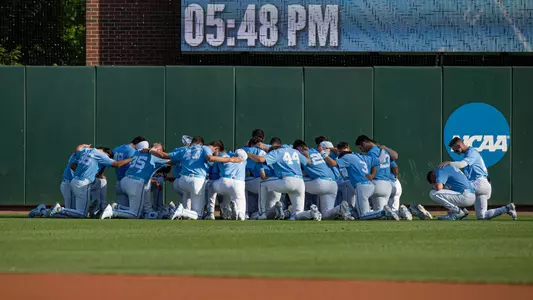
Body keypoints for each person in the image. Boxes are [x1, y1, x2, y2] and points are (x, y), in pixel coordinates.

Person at [151, 136, 242, 218]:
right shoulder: (204, 148)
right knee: (197, 214)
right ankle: (180, 210)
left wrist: (150, 150)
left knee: (186, 195)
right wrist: (230, 159)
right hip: (196, 180)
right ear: (201, 143)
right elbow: (210, 158)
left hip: (181, 181)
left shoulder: (185, 149)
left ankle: (180, 210)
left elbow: (164, 155)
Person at [36, 144, 131, 218]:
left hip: (75, 181)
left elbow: (73, 164)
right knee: (81, 214)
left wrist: (85, 170)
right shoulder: (101, 155)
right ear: (106, 153)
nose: (108, 158)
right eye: (108, 156)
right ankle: (60, 209)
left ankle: (98, 207)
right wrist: (132, 158)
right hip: (81, 184)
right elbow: (117, 164)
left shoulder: (85, 150)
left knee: (101, 182)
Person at [439, 137, 517, 220]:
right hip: (483, 186)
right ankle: (508, 208)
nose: (455, 152)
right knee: (482, 216)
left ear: (459, 145)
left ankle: (457, 212)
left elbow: (462, 164)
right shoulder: (468, 154)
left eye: (455, 150)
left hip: (479, 183)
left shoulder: (471, 152)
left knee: (454, 189)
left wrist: (449, 163)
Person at [321, 141, 399, 220]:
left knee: (363, 215)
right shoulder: (362, 156)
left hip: (361, 186)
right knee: (359, 211)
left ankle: (383, 212)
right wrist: (383, 150)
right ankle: (398, 212)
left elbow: (333, 163)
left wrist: (323, 154)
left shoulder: (347, 157)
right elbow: (380, 160)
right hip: (370, 185)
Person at [248, 139, 321, 221]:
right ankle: (311, 213)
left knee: (262, 183)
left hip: (288, 181)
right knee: (297, 213)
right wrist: (306, 154)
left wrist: (247, 154)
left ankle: (262, 214)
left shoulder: (276, 152)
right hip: (300, 182)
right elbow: (308, 162)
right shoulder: (293, 150)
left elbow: (260, 159)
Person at [293, 140, 349, 220]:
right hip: (333, 184)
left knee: (295, 181)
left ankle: (296, 211)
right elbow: (337, 152)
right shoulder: (319, 151)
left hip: (320, 183)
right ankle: (340, 208)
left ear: (299, 148)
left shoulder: (301, 153)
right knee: (326, 215)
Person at [206, 141, 248, 220]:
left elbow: (214, 174)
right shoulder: (244, 159)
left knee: (211, 185)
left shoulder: (221, 156)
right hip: (239, 183)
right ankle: (239, 212)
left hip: (225, 182)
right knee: (241, 208)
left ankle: (211, 213)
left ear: (217, 149)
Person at [112, 136, 147, 207]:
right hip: (129, 182)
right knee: (134, 210)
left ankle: (113, 208)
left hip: (119, 181)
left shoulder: (117, 148)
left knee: (122, 210)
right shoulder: (133, 151)